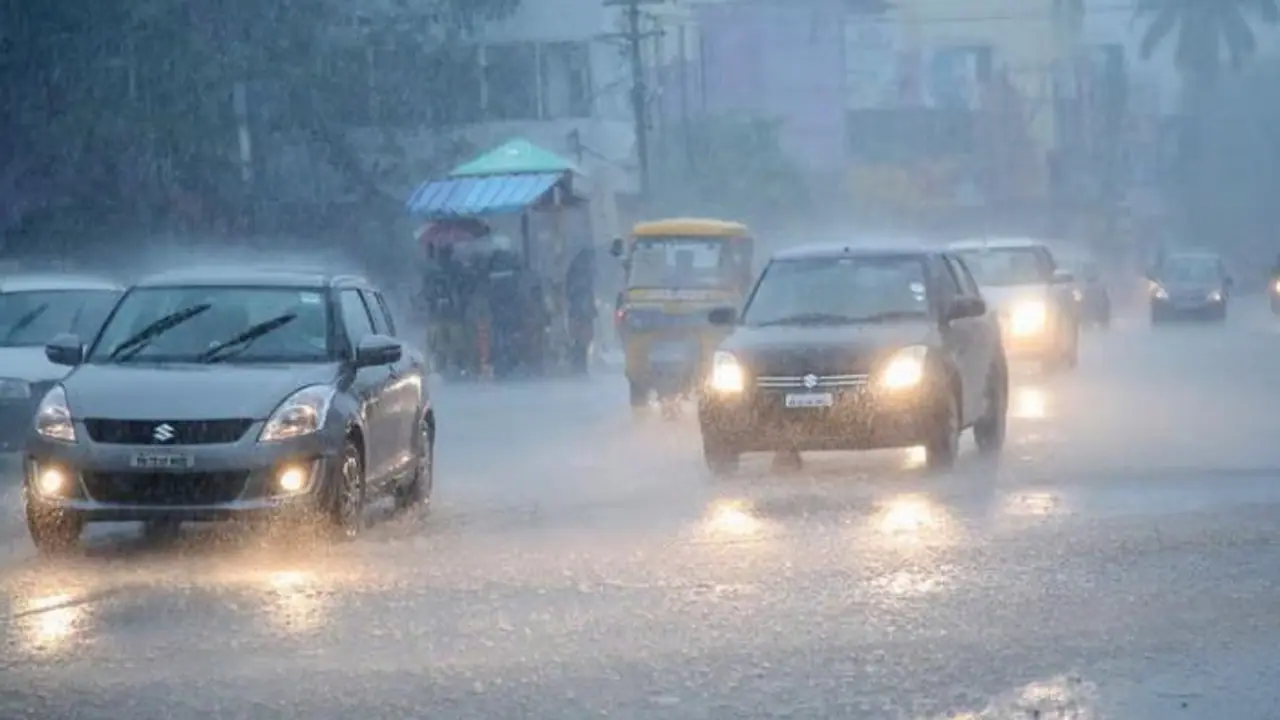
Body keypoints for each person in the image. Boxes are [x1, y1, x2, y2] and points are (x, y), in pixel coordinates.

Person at [566, 247, 597, 374]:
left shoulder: (575, 273)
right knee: (582, 342)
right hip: (582, 313)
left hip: (579, 312)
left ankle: (579, 368)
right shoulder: (582, 276)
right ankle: (579, 368)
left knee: (581, 342)